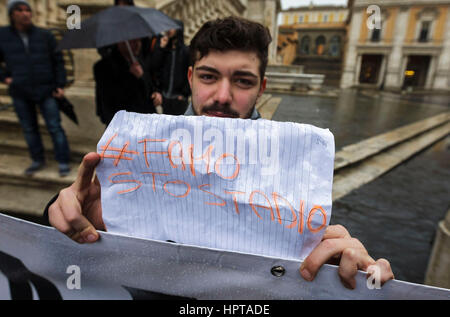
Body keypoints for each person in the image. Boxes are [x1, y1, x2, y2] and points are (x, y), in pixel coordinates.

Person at [45, 16, 394, 290]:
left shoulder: (297, 171)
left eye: (242, 81)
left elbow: (319, 262)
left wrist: (345, 272)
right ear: (191, 77)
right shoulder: (139, 152)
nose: (223, 96)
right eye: (209, 76)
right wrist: (69, 214)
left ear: (262, 88)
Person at [0, 0, 71, 177]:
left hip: (46, 89)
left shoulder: (45, 35)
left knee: (54, 126)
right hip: (20, 90)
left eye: (27, 10)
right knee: (29, 128)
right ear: (12, 14)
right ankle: (37, 160)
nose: (25, 13)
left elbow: (58, 61)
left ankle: (63, 161)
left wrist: (60, 85)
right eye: (20, 10)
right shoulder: (3, 36)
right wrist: (5, 78)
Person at [94, 38, 160, 126]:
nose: (137, 45)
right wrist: (132, 77)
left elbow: (149, 87)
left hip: (145, 122)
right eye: (132, 42)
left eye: (138, 41)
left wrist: (156, 93)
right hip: (122, 125)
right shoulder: (104, 66)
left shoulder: (140, 61)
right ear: (121, 43)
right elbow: (109, 101)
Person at [153, 21, 191, 115]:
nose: (169, 30)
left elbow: (191, 72)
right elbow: (155, 67)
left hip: (179, 99)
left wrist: (184, 94)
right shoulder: (165, 49)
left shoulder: (185, 51)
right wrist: (161, 48)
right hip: (165, 97)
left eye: (172, 27)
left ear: (178, 29)